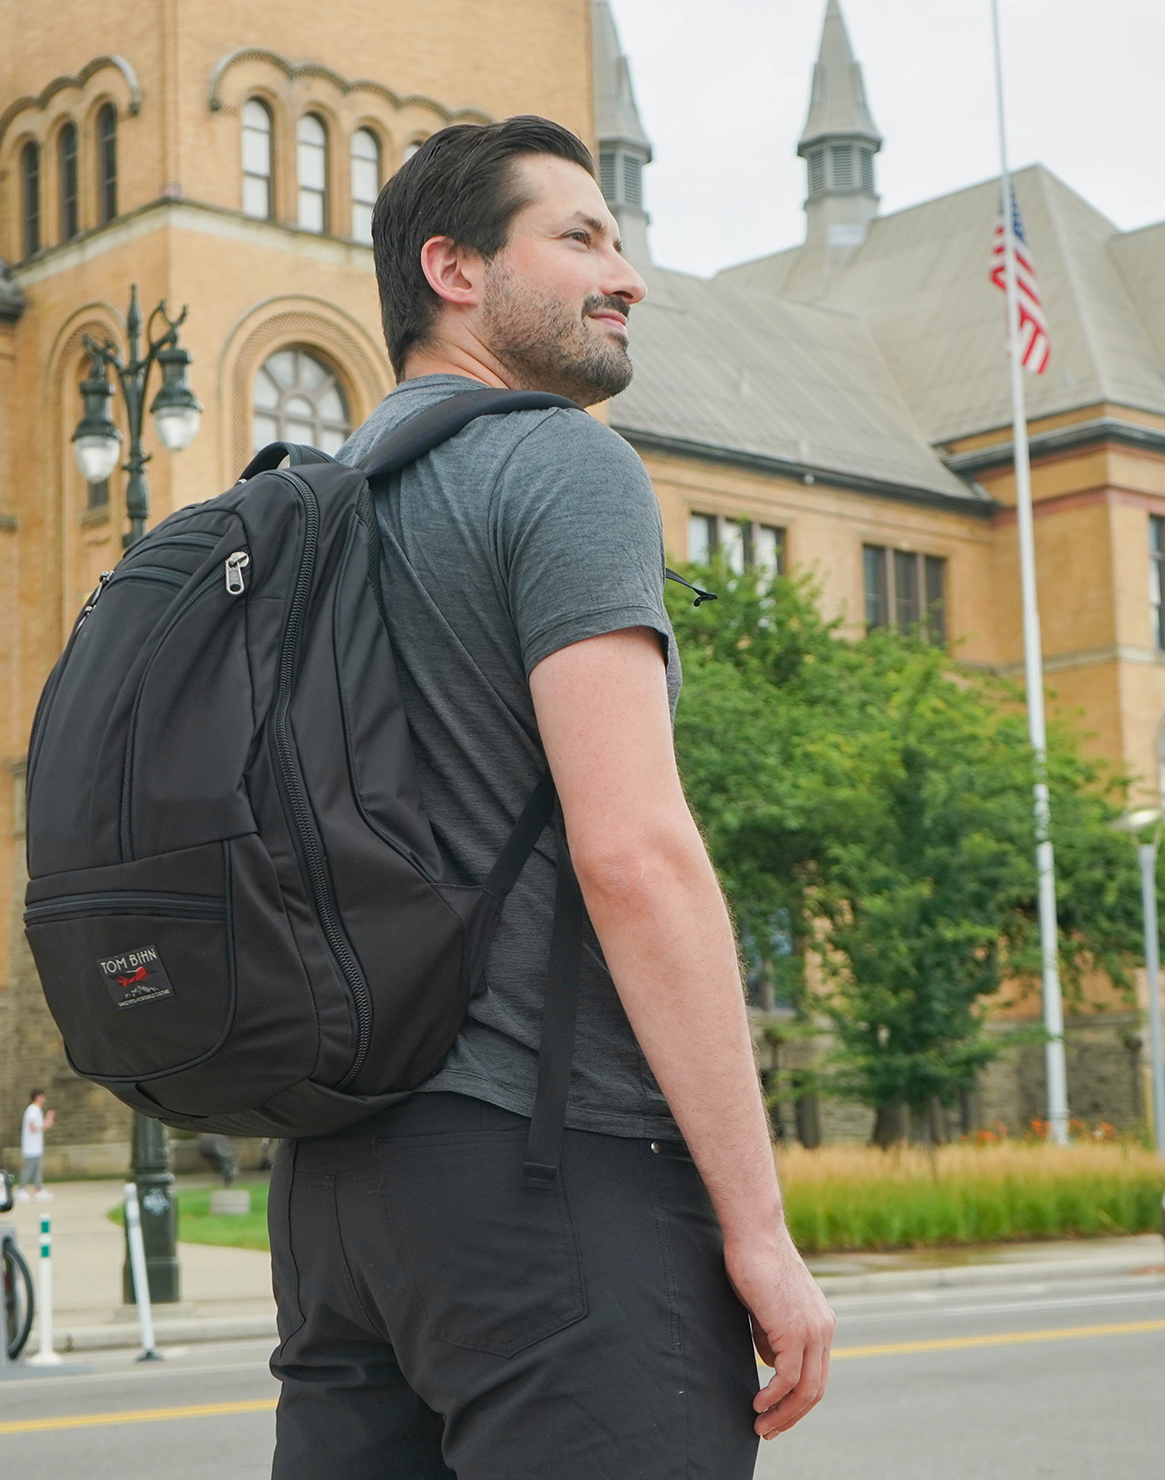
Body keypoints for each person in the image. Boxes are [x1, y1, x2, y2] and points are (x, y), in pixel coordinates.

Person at [267, 117, 834, 1480]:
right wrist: (757, 1229)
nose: (625, 273)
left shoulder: (313, 509)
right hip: (548, 1170)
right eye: (580, 237)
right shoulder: (558, 464)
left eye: (620, 240)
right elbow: (635, 853)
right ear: (452, 269)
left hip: (337, 1194)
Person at [17, 1088, 54, 1202]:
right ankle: (20, 1190)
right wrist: (46, 1123)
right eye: (43, 1096)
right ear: (38, 1097)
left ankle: (39, 1189)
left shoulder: (37, 1110)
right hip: (31, 1147)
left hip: (36, 1147)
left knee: (37, 1169)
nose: (44, 1099)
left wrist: (46, 1121)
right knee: (29, 1168)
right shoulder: (32, 1110)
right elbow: (32, 1127)